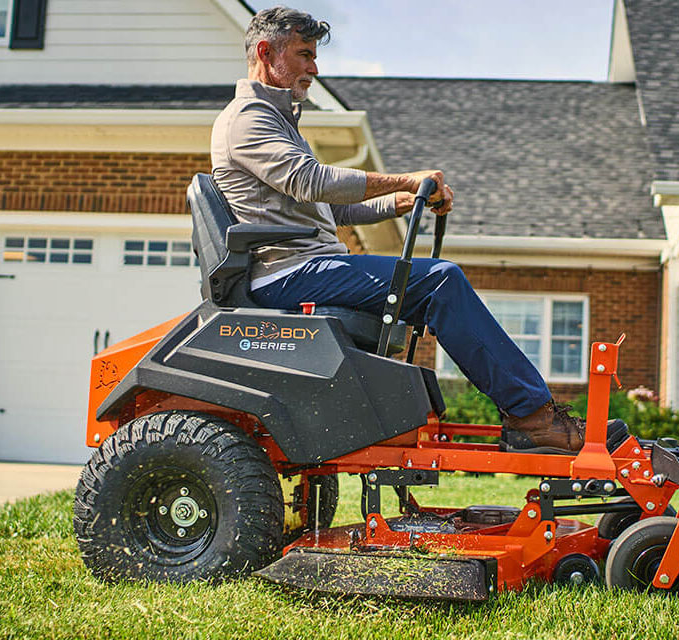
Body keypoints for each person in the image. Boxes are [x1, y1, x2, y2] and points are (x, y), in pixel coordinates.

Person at [210, 6, 597, 453]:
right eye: (304, 54)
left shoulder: (277, 122)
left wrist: (404, 201)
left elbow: (323, 210)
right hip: (285, 275)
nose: (314, 68)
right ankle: (533, 417)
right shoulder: (248, 119)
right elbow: (313, 181)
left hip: (306, 266)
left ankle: (527, 412)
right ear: (266, 52)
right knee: (439, 282)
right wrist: (406, 178)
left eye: (314, 56)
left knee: (435, 282)